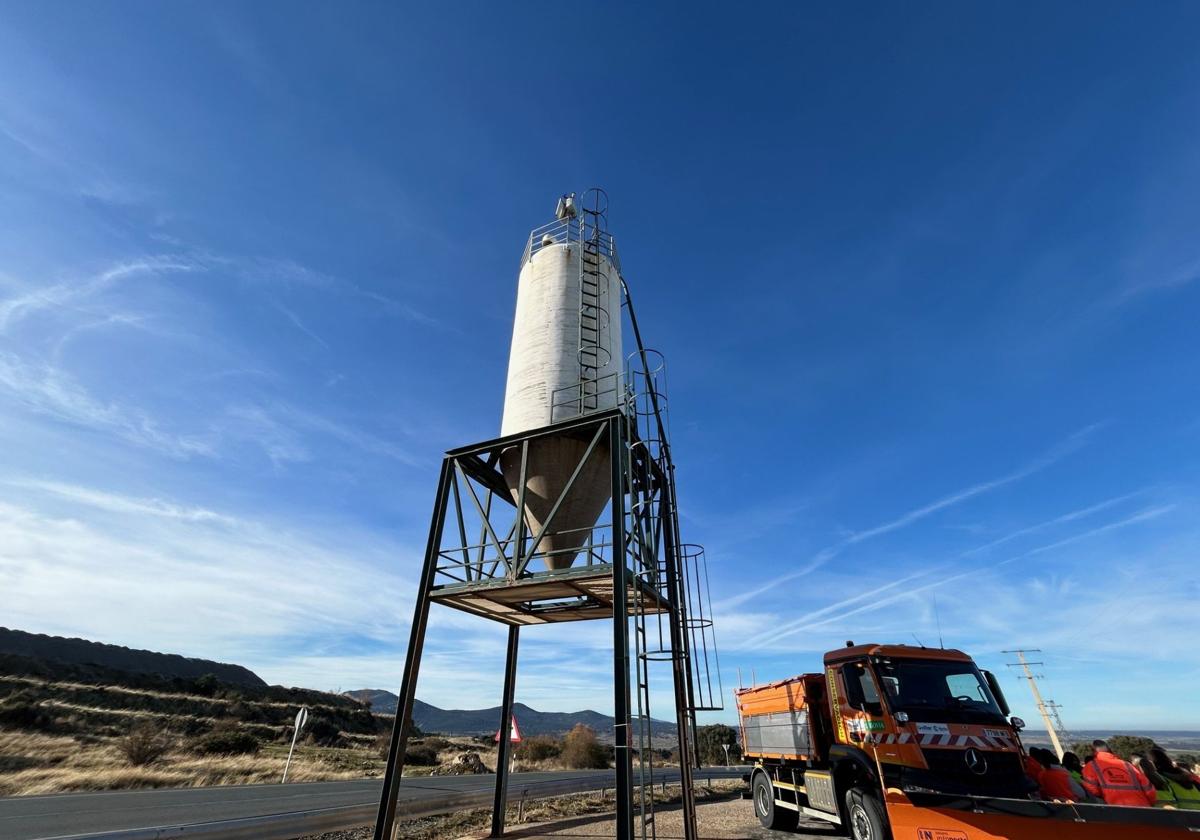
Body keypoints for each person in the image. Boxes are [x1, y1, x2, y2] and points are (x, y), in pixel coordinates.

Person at [1081, 740, 1156, 806]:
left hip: (1115, 811)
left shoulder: (1091, 766)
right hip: (1142, 808)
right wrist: (1149, 804)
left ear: (1093, 752)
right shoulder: (1127, 764)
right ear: (1109, 750)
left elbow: (1092, 790)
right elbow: (1148, 789)